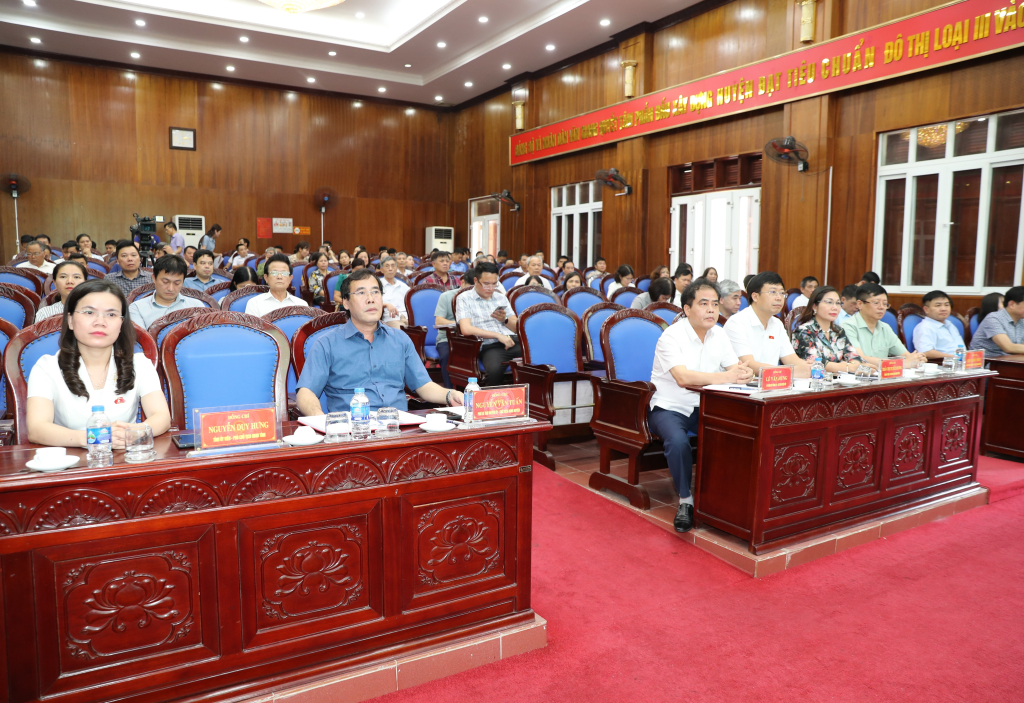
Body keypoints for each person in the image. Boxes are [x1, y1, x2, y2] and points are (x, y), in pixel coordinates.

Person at [648, 278, 752, 533]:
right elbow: (683, 378)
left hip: (706, 405)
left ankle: (726, 497)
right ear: (686, 308)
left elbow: (734, 369)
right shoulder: (671, 336)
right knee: (678, 442)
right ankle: (686, 501)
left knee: (739, 432)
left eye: (715, 304)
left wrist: (744, 373)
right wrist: (728, 377)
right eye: (703, 304)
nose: (711, 310)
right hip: (669, 406)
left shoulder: (719, 334)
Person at [26, 279, 171, 447]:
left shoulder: (139, 364)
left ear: (121, 323)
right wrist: (96, 437)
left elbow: (161, 417)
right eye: (89, 312)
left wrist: (134, 433)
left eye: (111, 314)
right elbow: (37, 429)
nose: (100, 322)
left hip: (123, 456)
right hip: (70, 458)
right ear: (70, 320)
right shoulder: (47, 367)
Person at [296, 269, 462, 414]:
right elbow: (306, 392)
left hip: (398, 427)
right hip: (352, 429)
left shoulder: (400, 339)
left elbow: (424, 386)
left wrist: (450, 395)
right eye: (361, 293)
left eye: (375, 292)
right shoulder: (327, 344)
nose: (371, 299)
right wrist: (320, 419)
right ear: (345, 302)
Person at [724, 272, 810, 378]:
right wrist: (788, 372)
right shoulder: (736, 323)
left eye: (782, 293)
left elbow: (791, 358)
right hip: (743, 384)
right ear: (755, 297)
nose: (779, 298)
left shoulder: (777, 324)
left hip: (772, 383)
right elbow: (748, 364)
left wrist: (808, 367)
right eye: (772, 292)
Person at [456, 262, 520, 387]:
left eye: (494, 284)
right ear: (476, 280)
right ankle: (493, 399)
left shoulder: (501, 298)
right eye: (486, 284)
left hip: (513, 341)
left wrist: (505, 320)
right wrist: (497, 335)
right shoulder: (464, 298)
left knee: (538, 361)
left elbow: (518, 328)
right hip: (489, 346)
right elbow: (466, 329)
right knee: (495, 371)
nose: (491, 288)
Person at [842, 283, 927, 368]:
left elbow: (906, 355)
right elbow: (860, 359)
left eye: (885, 304)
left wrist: (916, 358)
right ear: (860, 304)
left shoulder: (885, 328)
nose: (881, 307)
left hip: (883, 374)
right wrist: (901, 363)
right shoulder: (848, 327)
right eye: (876, 303)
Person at [792, 286, 865, 374]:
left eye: (838, 303)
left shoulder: (839, 331)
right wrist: (847, 367)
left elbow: (854, 357)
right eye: (829, 302)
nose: (835, 307)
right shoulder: (804, 331)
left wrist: (853, 365)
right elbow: (814, 363)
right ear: (815, 306)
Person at [128, 255, 206, 329]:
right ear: (154, 278)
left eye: (177, 283)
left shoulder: (196, 306)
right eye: (165, 282)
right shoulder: (137, 308)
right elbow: (141, 337)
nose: (171, 289)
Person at [434, 271, 476, 388]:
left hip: (474, 338)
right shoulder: (446, 296)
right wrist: (462, 323)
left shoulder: (480, 297)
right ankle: (450, 391)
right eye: (469, 288)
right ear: (462, 283)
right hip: (448, 339)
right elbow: (439, 321)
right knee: (448, 355)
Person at [970, 286, 1024, 358]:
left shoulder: (1021, 320)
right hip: (987, 361)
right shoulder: (993, 319)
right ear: (1012, 304)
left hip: (1011, 360)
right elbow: (1008, 347)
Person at [913, 290, 966, 360]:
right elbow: (926, 352)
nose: (943, 309)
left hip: (961, 362)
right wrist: (955, 358)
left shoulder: (950, 324)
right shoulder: (925, 327)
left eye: (946, 305)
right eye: (938, 305)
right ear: (926, 309)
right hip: (943, 364)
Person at [379, 256, 409, 328]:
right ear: (382, 270)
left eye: (393, 266)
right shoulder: (377, 285)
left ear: (396, 269)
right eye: (387, 266)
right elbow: (373, 302)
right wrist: (386, 305)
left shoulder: (403, 285)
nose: (390, 269)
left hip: (407, 318)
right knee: (400, 331)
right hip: (391, 319)